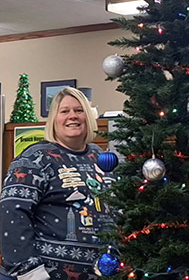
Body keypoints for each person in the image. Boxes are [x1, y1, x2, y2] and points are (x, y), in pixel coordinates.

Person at [0, 87, 116, 280]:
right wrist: (30, 272)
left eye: (79, 110)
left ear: (88, 116)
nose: (73, 116)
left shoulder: (101, 158)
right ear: (54, 119)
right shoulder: (34, 158)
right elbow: (11, 214)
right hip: (42, 275)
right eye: (65, 111)